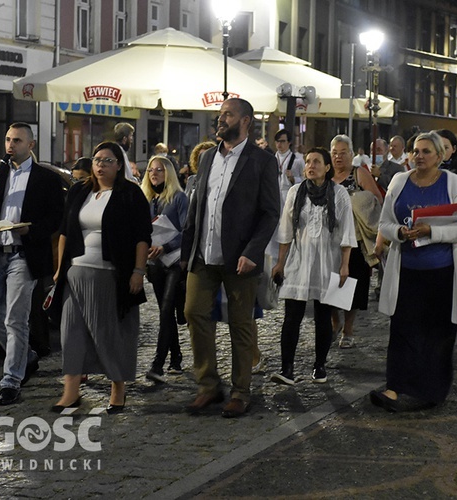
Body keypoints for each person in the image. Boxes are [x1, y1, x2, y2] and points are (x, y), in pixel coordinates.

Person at [180, 98, 280, 418]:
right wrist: (187, 250)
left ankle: (240, 391)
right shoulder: (208, 156)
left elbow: (269, 213)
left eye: (228, 114)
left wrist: (253, 252)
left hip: (240, 257)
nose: (221, 119)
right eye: (220, 114)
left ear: (246, 121)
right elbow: (198, 205)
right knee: (194, 312)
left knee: (240, 324)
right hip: (203, 252)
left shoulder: (262, 160)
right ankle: (208, 385)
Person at [370, 131, 457, 412]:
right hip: (407, 270)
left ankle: (432, 389)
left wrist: (433, 231)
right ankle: (394, 388)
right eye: (416, 151)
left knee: (438, 332)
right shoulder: (399, 181)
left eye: (426, 152)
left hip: (442, 271)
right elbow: (385, 222)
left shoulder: (453, 182)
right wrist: (400, 231)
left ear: (440, 156)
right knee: (402, 330)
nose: (419, 156)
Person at [50, 141, 151, 413]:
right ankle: (70, 392)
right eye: (97, 160)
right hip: (76, 272)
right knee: (71, 332)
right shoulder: (79, 191)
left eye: (108, 160)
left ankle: (118, 388)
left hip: (109, 275)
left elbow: (143, 236)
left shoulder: (129, 194)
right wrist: (61, 269)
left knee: (108, 333)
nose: (101, 165)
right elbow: (64, 232)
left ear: (119, 165)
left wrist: (138, 271)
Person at [0, 122, 64, 405]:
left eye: (18, 141)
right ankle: (26, 356)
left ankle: (11, 380)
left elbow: (55, 219)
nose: (11, 145)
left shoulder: (45, 179)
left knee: (15, 319)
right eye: (8, 140)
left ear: (31, 145)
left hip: (24, 254)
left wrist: (30, 230)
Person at [270, 147, 356, 385]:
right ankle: (287, 368)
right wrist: (280, 262)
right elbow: (286, 229)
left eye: (317, 161)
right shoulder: (296, 192)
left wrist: (345, 265)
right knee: (292, 316)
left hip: (327, 259)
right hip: (299, 259)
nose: (311, 165)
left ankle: (320, 366)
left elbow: (346, 231)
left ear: (327, 167)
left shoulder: (338, 194)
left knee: (323, 315)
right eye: (308, 161)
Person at [330, 134, 383, 348]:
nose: (338, 157)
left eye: (343, 153)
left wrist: (352, 201)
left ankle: (348, 329)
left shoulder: (358, 173)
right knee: (329, 285)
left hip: (355, 239)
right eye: (334, 153)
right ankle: (334, 323)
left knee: (352, 285)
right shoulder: (325, 174)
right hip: (329, 240)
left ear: (352, 155)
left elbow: (376, 199)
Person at [141, 155, 189, 383]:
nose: (154, 173)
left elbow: (188, 230)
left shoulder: (179, 198)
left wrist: (166, 245)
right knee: (165, 311)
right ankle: (176, 358)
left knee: (167, 308)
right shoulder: (147, 198)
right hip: (154, 263)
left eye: (159, 170)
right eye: (151, 170)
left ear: (168, 173)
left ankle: (158, 363)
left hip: (174, 261)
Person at [274, 129, 304, 205]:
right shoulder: (271, 159)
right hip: (274, 195)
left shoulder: (297, 160)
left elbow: (305, 179)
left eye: (282, 141)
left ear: (289, 142)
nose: (279, 144)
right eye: (277, 141)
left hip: (289, 194)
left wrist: (293, 179)